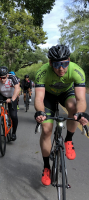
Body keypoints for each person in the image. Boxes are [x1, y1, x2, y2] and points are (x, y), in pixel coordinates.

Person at [34, 44, 89, 186]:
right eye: (57, 64)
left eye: (64, 63)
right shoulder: (42, 72)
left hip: (66, 93)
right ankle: (46, 167)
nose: (61, 68)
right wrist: (40, 112)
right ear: (50, 63)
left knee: (73, 107)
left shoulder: (76, 71)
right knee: (46, 130)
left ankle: (68, 139)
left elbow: (81, 99)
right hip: (48, 97)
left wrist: (80, 113)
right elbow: (39, 99)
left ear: (69, 60)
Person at [0, 67, 20, 141]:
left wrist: (12, 99)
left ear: (7, 75)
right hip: (2, 95)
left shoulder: (12, 78)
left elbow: (17, 88)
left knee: (14, 116)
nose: (2, 79)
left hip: (12, 96)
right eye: (0, 78)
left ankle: (14, 133)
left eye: (4, 77)